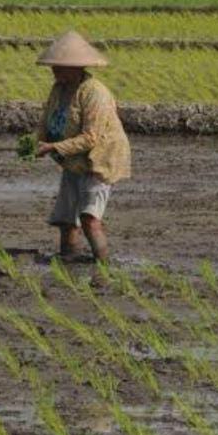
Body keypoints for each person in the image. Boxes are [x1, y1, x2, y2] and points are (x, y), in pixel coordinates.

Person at [35, 30, 131, 263]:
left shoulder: (94, 93)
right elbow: (46, 118)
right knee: (66, 219)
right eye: (54, 67)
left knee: (89, 218)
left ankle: (103, 265)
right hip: (73, 158)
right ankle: (69, 260)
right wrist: (36, 141)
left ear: (76, 67)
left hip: (100, 159)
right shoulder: (59, 89)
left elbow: (91, 138)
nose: (54, 71)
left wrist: (52, 147)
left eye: (59, 67)